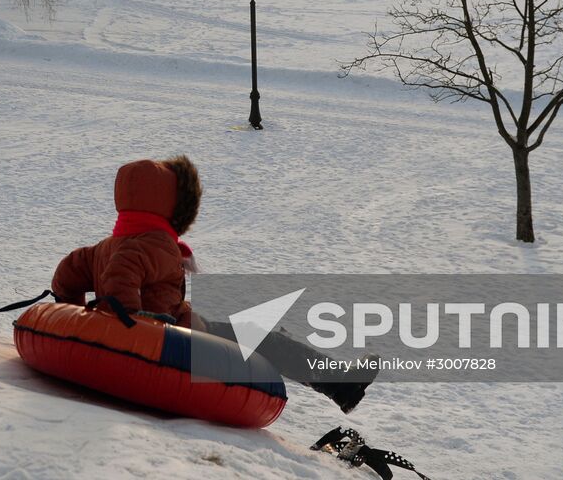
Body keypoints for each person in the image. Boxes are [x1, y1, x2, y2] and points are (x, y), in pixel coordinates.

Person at [50, 156, 372, 413]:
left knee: (260, 334)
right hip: (179, 342)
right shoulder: (155, 245)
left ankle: (335, 380)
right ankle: (342, 386)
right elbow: (121, 276)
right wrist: (130, 322)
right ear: (169, 201)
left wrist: (81, 319)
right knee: (269, 340)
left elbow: (67, 274)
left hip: (177, 332)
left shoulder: (107, 246)